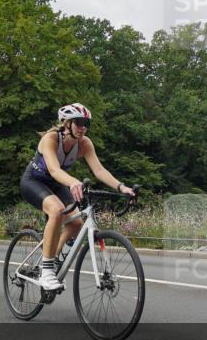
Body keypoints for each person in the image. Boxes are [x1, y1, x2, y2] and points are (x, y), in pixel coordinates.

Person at [19, 103, 135, 290]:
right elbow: (55, 170)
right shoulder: (51, 139)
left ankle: (52, 259)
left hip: (57, 185)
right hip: (34, 182)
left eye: (86, 123)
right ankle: (47, 272)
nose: (83, 128)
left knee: (76, 224)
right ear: (66, 123)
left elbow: (98, 170)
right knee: (56, 210)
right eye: (79, 123)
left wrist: (121, 187)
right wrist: (73, 182)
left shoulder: (84, 144)